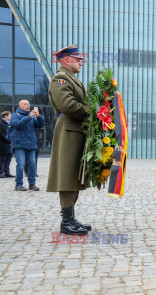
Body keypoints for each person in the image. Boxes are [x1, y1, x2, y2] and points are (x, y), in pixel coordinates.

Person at [47, 44, 91, 235]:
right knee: (67, 176)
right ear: (66, 60)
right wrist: (93, 112)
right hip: (69, 131)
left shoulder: (72, 79)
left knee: (75, 176)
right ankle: (66, 222)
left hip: (76, 131)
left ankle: (70, 218)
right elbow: (69, 106)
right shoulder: (60, 80)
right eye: (77, 59)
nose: (80, 62)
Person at [10, 100, 45, 191]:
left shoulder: (32, 116)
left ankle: (32, 184)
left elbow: (41, 125)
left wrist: (39, 116)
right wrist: (29, 117)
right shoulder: (15, 115)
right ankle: (18, 185)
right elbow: (16, 125)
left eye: (28, 104)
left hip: (31, 144)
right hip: (19, 144)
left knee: (32, 164)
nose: (28, 105)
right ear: (20, 106)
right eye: (25, 104)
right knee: (21, 164)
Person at [0, 111, 14, 178]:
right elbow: (1, 135)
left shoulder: (10, 124)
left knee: (9, 158)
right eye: (10, 116)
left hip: (10, 145)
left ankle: (7, 172)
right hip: (3, 144)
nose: (11, 117)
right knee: (3, 159)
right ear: (6, 116)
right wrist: (9, 142)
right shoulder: (1, 124)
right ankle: (1, 172)